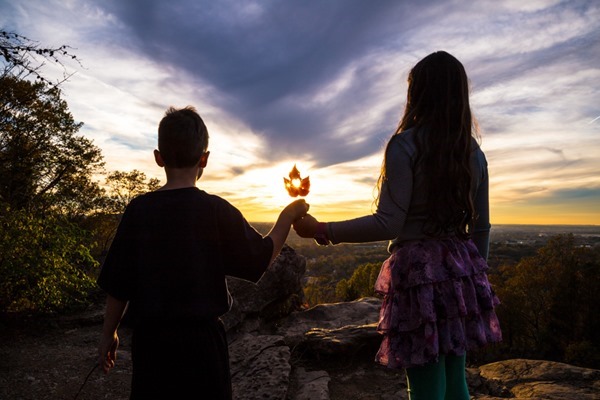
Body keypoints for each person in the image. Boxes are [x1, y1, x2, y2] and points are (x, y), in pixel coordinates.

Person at [293, 51, 502, 400]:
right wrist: (474, 279)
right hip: (462, 271)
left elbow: (389, 222)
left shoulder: (406, 145)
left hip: (419, 275)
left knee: (425, 384)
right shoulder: (474, 153)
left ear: (418, 93)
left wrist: (323, 230)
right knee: (455, 380)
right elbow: (482, 228)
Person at [97, 106, 309, 400]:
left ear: (158, 158)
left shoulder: (138, 211)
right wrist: (288, 215)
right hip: (203, 347)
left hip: (152, 346)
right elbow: (260, 258)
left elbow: (118, 285)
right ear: (204, 159)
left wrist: (110, 333)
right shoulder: (216, 210)